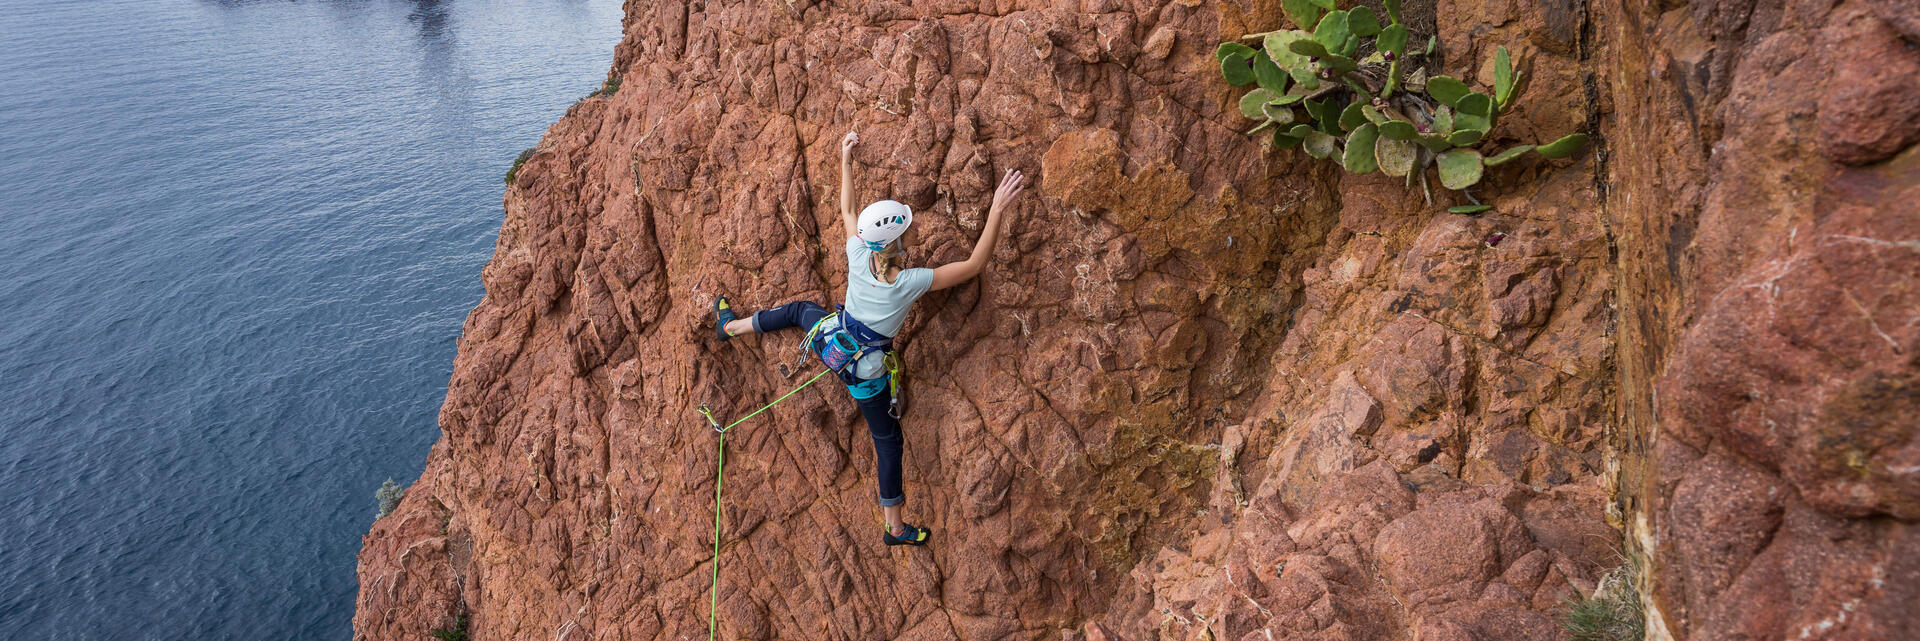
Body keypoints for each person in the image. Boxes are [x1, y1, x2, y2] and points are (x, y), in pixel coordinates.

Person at [710, 130, 1027, 546]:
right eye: (907, 228)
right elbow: (972, 265)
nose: (913, 230)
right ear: (895, 242)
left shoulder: (859, 252)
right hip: (865, 375)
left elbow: (847, 210)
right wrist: (997, 210)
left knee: (800, 311)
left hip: (833, 343)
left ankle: (732, 328)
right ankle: (894, 529)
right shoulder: (908, 282)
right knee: (887, 441)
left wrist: (845, 159)